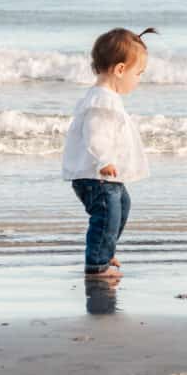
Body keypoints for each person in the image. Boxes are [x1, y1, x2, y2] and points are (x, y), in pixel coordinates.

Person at [62, 27, 157, 279]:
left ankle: (105, 250)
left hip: (103, 176)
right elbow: (95, 134)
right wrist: (104, 160)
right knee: (106, 214)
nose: (138, 79)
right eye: (138, 73)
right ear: (120, 70)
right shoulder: (102, 100)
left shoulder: (105, 97)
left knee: (121, 207)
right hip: (97, 175)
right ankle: (97, 263)